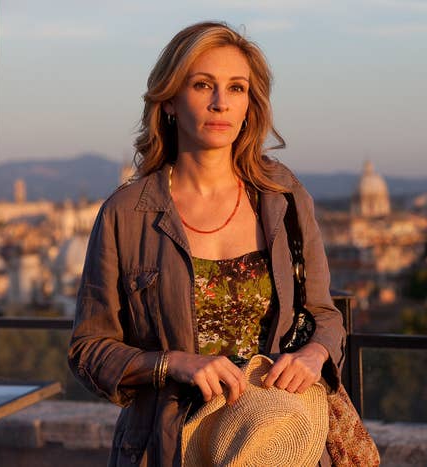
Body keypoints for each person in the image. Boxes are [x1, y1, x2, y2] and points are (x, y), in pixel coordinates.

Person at [67, 21, 346, 466]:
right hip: (168, 446)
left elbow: (324, 314)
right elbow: (89, 350)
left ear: (250, 105)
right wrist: (173, 363)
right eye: (203, 85)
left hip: (274, 442)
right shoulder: (126, 213)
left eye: (236, 88)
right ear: (171, 100)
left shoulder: (283, 197)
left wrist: (314, 355)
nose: (221, 103)